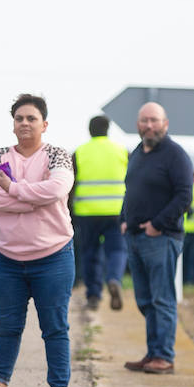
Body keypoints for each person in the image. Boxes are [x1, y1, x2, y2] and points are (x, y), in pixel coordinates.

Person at [0, 94, 74, 387]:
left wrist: (13, 189)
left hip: (53, 256)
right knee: (8, 326)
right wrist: (34, 197)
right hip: (7, 258)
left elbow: (57, 189)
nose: (25, 123)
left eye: (31, 118)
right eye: (19, 118)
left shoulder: (57, 155)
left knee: (54, 326)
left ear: (44, 124)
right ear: (13, 124)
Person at [119, 102, 193, 374]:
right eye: (144, 121)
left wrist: (157, 225)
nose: (148, 125)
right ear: (138, 125)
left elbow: (185, 197)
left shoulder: (175, 155)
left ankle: (164, 356)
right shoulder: (138, 153)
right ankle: (152, 354)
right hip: (136, 237)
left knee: (162, 300)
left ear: (165, 123)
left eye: (154, 120)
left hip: (161, 238)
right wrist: (123, 220)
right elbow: (130, 191)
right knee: (145, 300)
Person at [71, 115, 129, 311]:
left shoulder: (80, 152)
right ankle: (114, 279)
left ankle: (94, 295)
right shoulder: (121, 151)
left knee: (90, 253)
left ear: (90, 130)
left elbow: (70, 184)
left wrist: (70, 212)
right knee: (118, 250)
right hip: (117, 211)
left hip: (87, 212)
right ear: (108, 129)